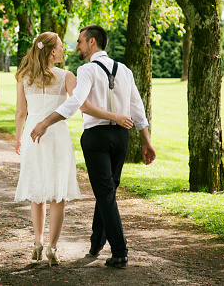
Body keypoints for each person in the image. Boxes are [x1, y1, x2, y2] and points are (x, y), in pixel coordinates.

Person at [30, 25, 156, 269]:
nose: (76, 46)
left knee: (105, 192)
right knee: (106, 191)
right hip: (122, 137)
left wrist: (45, 122)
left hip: (96, 138)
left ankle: (120, 251)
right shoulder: (125, 70)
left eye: (79, 41)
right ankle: (96, 242)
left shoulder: (86, 70)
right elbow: (138, 108)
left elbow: (78, 102)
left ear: (92, 43)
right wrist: (146, 141)